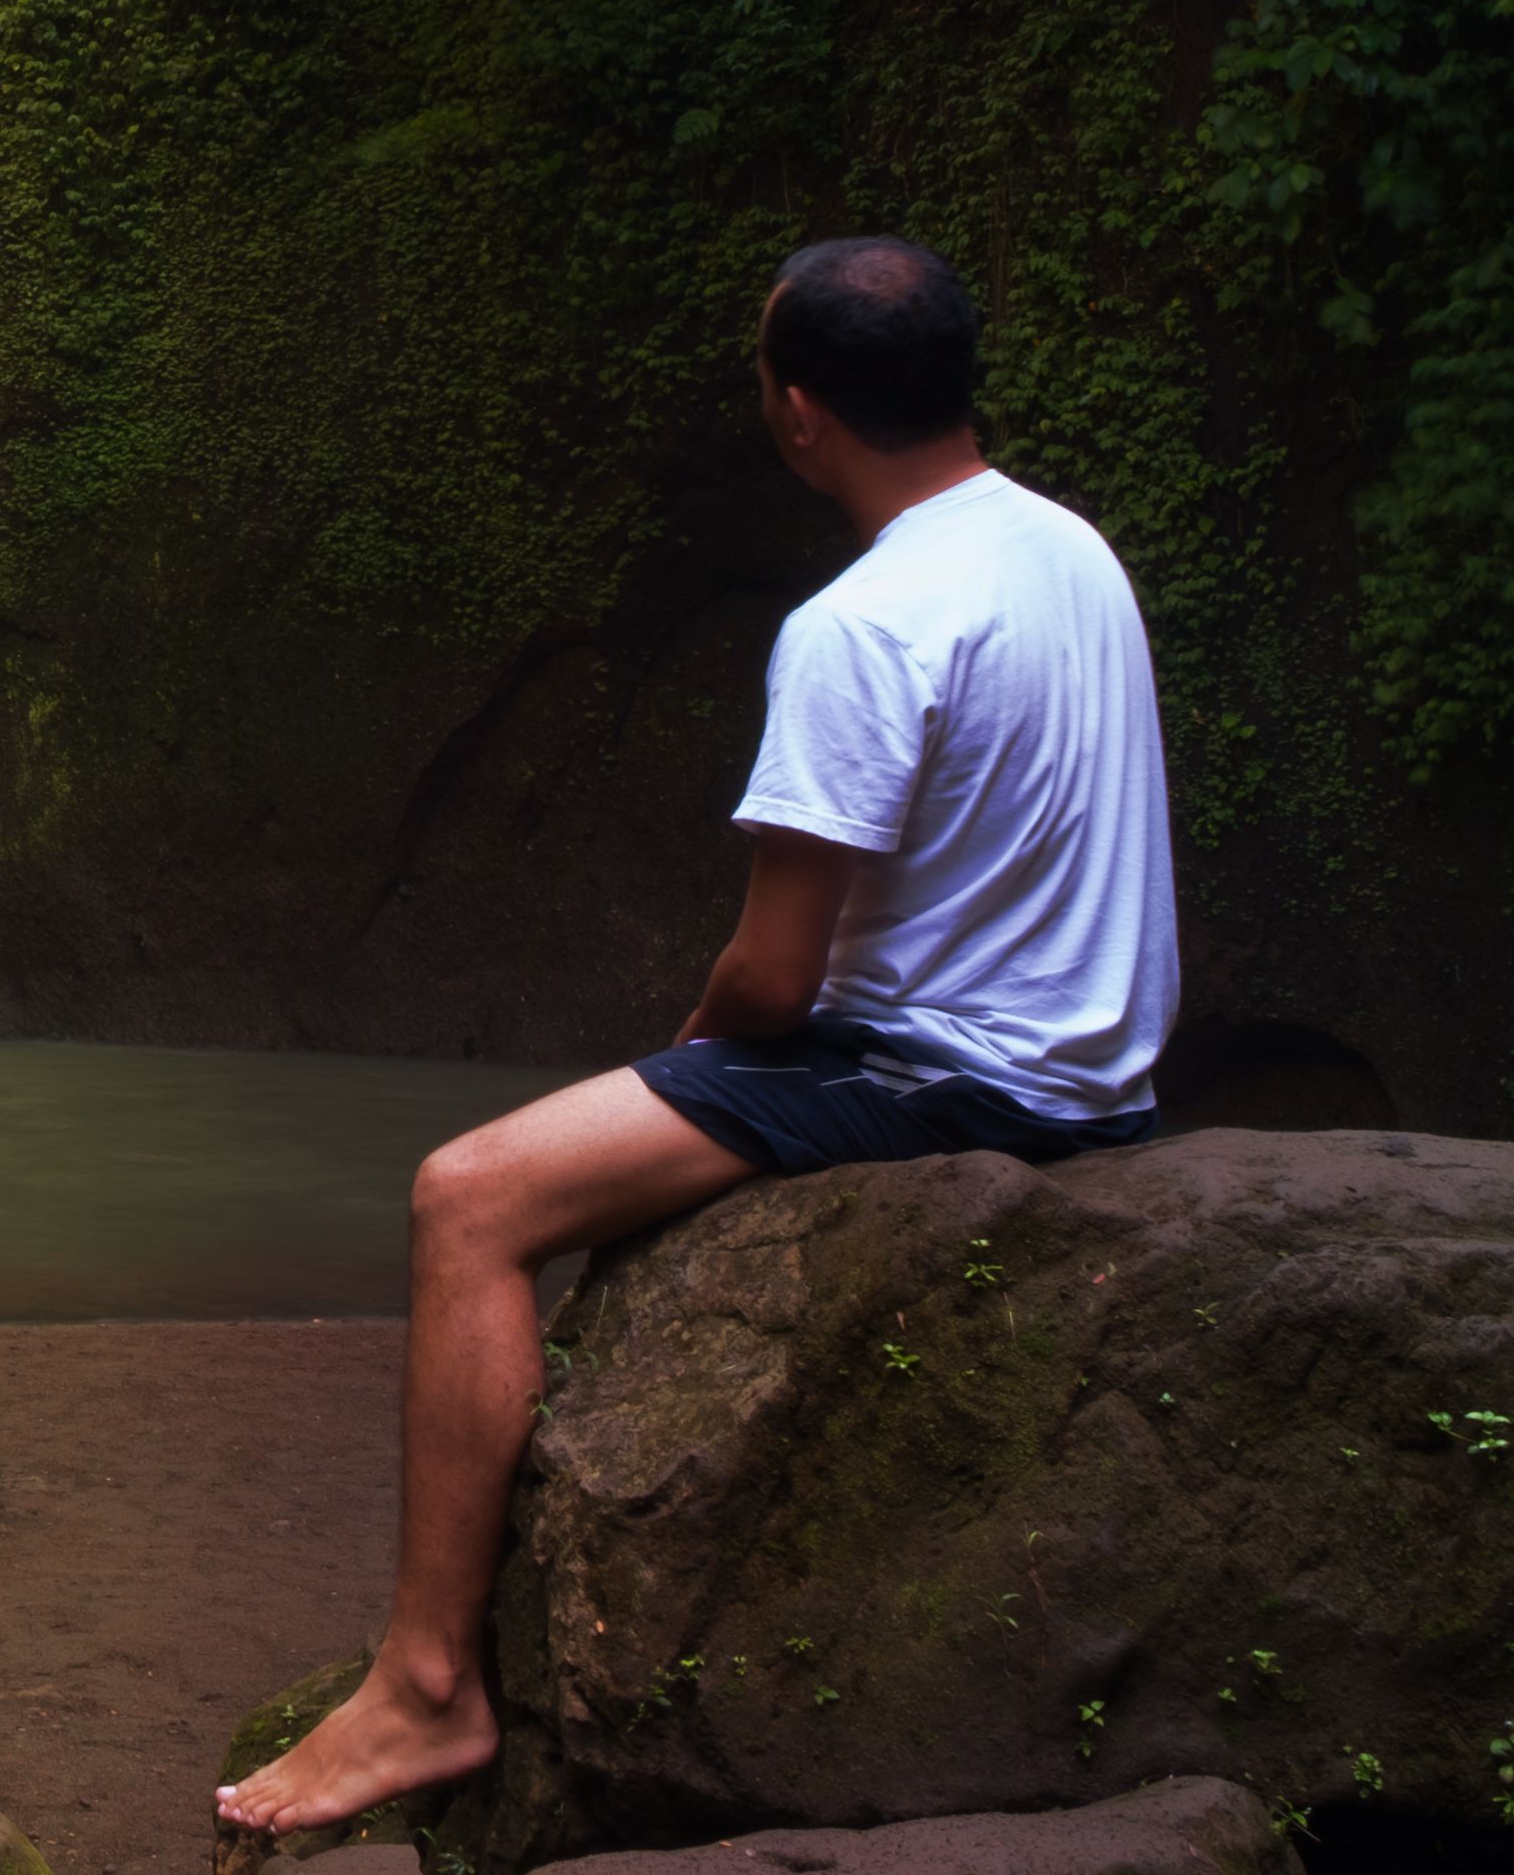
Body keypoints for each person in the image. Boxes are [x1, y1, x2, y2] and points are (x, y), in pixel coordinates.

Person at [212, 234, 1180, 1836]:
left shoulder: (865, 625)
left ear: (798, 413)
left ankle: (428, 1688)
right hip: (1100, 1073)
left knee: (472, 1197)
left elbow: (774, 984)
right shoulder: (1071, 550)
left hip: (944, 1081)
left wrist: (674, 1075)